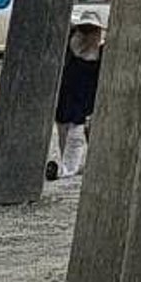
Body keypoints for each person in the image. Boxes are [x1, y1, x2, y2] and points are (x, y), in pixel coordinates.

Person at [53, 13, 104, 178]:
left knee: (76, 136)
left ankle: (68, 169)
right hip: (66, 97)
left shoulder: (99, 53)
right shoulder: (69, 48)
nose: (88, 34)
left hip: (84, 100)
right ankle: (66, 166)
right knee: (64, 131)